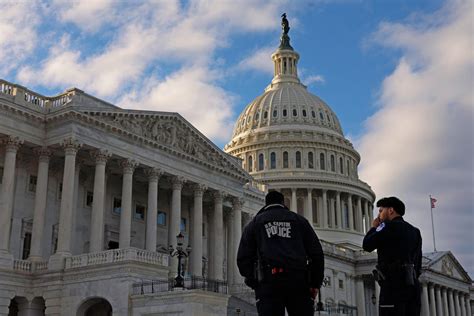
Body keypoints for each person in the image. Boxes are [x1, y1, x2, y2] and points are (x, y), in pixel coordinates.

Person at [237, 191, 324, 316]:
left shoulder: (255, 223)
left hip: (268, 281)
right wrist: (314, 283)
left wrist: (254, 282)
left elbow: (243, 257)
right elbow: (317, 254)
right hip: (298, 280)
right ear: (283, 203)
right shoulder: (300, 221)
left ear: (266, 204)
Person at [363, 196, 422, 316]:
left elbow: (367, 245)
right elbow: (418, 262)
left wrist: (374, 228)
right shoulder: (415, 231)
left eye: (381, 211)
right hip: (412, 286)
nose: (379, 215)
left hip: (392, 286)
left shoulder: (386, 227)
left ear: (390, 210)